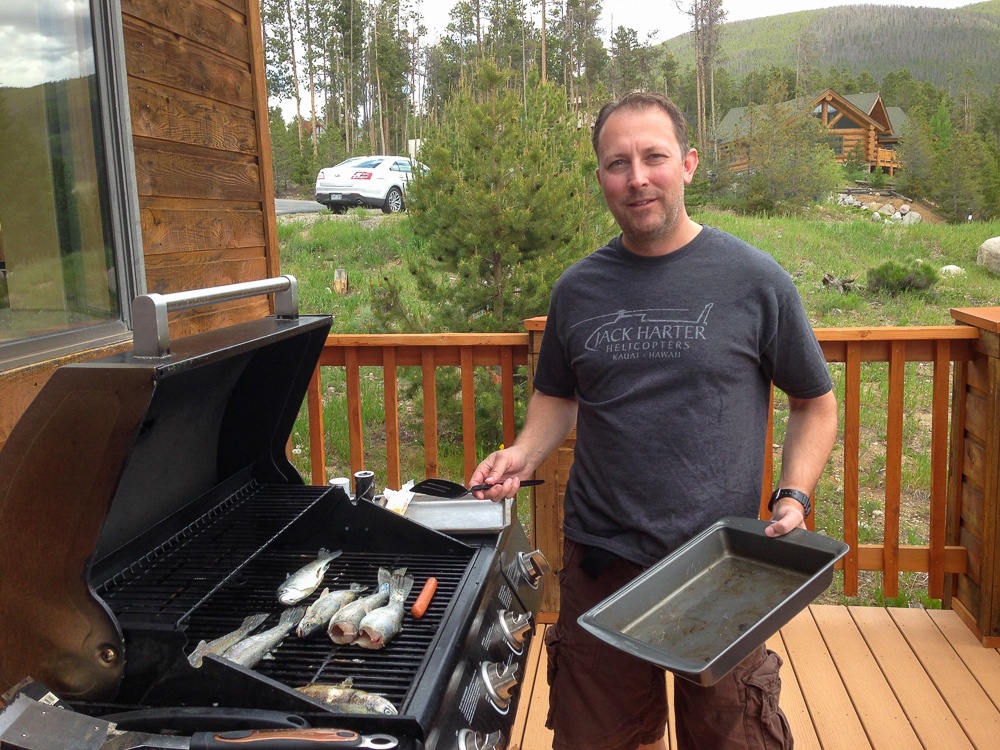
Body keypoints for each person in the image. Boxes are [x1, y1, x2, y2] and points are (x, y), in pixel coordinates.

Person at [470, 91, 838, 750]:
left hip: (718, 569)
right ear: (601, 178)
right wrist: (524, 453)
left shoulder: (755, 280)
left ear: (688, 164)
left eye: (654, 157)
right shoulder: (578, 289)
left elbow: (814, 403)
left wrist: (793, 495)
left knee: (731, 738)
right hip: (601, 565)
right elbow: (559, 395)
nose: (637, 177)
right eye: (617, 163)